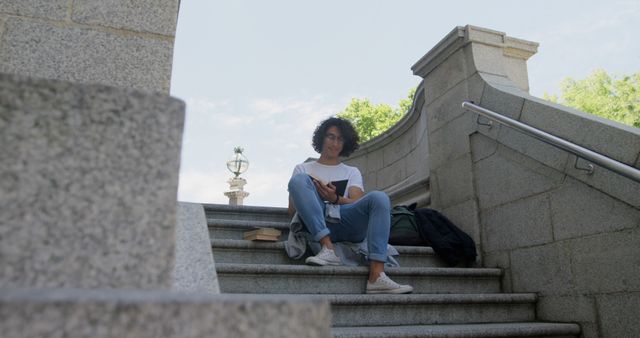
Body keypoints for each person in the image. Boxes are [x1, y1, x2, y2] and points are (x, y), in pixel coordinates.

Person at [287, 117, 413, 294]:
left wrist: (336, 198)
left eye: (340, 139)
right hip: (319, 223)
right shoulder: (303, 168)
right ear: (321, 138)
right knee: (299, 180)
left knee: (379, 197)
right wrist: (308, 193)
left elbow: (357, 202)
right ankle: (327, 248)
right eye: (331, 137)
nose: (335, 143)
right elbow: (292, 212)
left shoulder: (351, 171)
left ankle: (376, 276)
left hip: (347, 221)